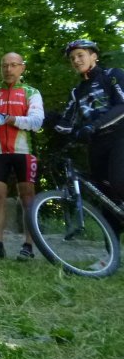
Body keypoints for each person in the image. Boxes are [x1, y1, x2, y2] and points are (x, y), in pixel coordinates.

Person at [0, 52, 44, 260]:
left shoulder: (31, 92)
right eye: (5, 65)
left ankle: (28, 246)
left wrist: (9, 119)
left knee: (28, 198)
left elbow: (36, 122)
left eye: (13, 65)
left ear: (22, 68)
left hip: (24, 152)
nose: (8, 69)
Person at [54, 39, 124, 233]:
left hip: (120, 136)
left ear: (94, 56)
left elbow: (122, 105)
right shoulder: (77, 92)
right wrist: (38, 118)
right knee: (106, 198)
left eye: (80, 55)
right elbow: (65, 123)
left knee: (119, 182)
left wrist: (93, 125)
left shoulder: (112, 75)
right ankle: (110, 256)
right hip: (96, 144)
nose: (76, 60)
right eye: (72, 58)